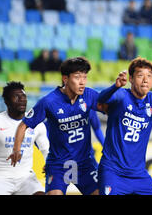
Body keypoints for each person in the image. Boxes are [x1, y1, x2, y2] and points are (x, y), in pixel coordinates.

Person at [8, 57, 101, 195]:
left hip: (84, 163)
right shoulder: (49, 101)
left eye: (85, 77)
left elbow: (110, 108)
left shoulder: (89, 95)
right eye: (77, 77)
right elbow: (23, 125)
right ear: (65, 79)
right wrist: (17, 149)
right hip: (59, 165)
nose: (82, 82)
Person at [96, 57, 152, 195]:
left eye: (149, 76)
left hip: (139, 176)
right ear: (131, 79)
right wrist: (115, 86)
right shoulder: (121, 95)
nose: (145, 80)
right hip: (113, 173)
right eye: (140, 75)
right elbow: (101, 99)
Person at [0, 82, 49, 195]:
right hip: (0, 178)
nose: (22, 99)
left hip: (26, 177)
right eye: (16, 96)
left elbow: (46, 150)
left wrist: (49, 163)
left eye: (23, 96)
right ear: (6, 101)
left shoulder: (37, 124)